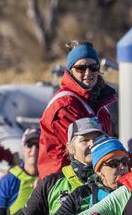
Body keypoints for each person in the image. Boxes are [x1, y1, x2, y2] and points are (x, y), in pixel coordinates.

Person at [2, 117, 103, 215]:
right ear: (71, 148)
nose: (92, 144)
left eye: (98, 139)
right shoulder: (52, 183)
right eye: (85, 140)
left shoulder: (115, 178)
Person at [38, 41, 117, 179]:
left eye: (93, 68)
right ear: (70, 71)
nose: (88, 73)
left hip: (90, 175)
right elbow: (82, 151)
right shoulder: (65, 105)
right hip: (63, 180)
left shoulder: (98, 104)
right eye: (81, 68)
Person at [37, 136, 129, 215]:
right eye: (114, 163)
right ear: (99, 171)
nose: (122, 167)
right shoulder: (83, 193)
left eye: (124, 162)